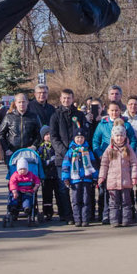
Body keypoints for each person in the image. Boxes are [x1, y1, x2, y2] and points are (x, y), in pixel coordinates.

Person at [92, 101, 137, 225]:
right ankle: (108, 216)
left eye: (116, 110)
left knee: (125, 198)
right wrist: (100, 154)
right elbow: (95, 141)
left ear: (120, 111)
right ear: (108, 111)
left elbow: (133, 139)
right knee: (109, 196)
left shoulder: (126, 125)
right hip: (109, 162)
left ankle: (127, 217)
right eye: (112, 110)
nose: (114, 112)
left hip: (124, 164)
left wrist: (128, 150)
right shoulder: (102, 124)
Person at [49, 89, 88, 224]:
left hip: (80, 156)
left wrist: (78, 150)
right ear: (60, 99)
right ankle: (67, 215)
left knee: (79, 187)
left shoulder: (79, 115)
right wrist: (66, 153)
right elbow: (53, 137)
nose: (66, 100)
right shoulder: (55, 116)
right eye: (64, 98)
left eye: (69, 98)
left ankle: (81, 215)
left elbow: (84, 133)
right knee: (64, 187)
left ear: (72, 99)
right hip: (63, 158)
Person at [98, 121, 137, 227]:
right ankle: (114, 220)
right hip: (112, 181)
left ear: (124, 137)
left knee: (126, 202)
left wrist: (134, 177)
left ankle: (126, 220)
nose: (119, 138)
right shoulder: (109, 149)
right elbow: (104, 164)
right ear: (113, 137)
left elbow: (134, 163)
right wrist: (102, 177)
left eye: (121, 136)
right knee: (113, 203)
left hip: (126, 181)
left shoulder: (128, 149)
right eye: (117, 136)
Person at [61, 127, 97, 227]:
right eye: (77, 137)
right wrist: (66, 178)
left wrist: (95, 177)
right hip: (75, 179)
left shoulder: (88, 151)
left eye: (81, 137)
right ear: (74, 139)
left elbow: (93, 165)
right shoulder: (71, 151)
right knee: (76, 200)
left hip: (86, 178)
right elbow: (66, 165)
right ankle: (77, 219)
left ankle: (85, 219)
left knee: (86, 199)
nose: (79, 139)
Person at [0, 93, 40, 162]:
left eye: (23, 102)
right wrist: (6, 149)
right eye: (19, 102)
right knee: (14, 173)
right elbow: (1, 134)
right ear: (15, 103)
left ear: (27, 102)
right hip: (12, 153)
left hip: (29, 153)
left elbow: (39, 134)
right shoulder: (9, 117)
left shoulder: (34, 117)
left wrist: (34, 146)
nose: (21, 104)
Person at [37, 126, 59, 220]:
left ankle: (61, 209)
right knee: (47, 195)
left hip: (55, 174)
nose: (48, 136)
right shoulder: (41, 148)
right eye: (46, 134)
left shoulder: (55, 145)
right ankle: (47, 212)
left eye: (50, 134)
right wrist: (47, 162)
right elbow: (39, 159)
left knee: (58, 193)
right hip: (46, 175)